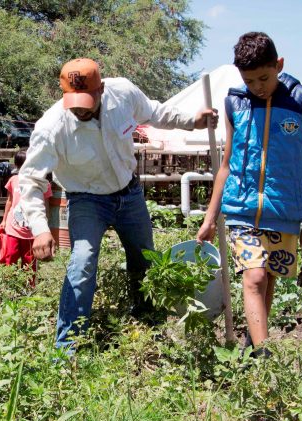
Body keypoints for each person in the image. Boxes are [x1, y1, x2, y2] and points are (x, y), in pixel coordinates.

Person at [18, 58, 218, 352]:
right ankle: (68, 346)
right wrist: (39, 228)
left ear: (101, 89)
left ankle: (147, 321)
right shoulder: (51, 127)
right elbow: (31, 180)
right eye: (73, 102)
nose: (80, 109)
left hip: (129, 193)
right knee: (83, 261)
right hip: (86, 199)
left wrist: (192, 121)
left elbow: (155, 112)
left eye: (86, 100)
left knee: (144, 259)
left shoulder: (123, 92)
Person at [196, 32, 302, 354]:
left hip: (285, 209)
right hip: (241, 207)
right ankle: (265, 361)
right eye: (250, 81)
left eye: (264, 78)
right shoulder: (234, 102)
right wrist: (211, 217)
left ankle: (253, 346)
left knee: (268, 280)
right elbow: (225, 164)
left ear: (279, 65)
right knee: (254, 278)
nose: (258, 87)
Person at [0, 150, 52, 285]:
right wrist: (4, 221)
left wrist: (45, 227)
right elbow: (9, 201)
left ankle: (29, 288)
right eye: (20, 166)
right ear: (17, 166)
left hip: (30, 231)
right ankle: (8, 286)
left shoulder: (43, 184)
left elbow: (46, 205)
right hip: (12, 228)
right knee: (10, 257)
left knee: (29, 261)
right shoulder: (13, 180)